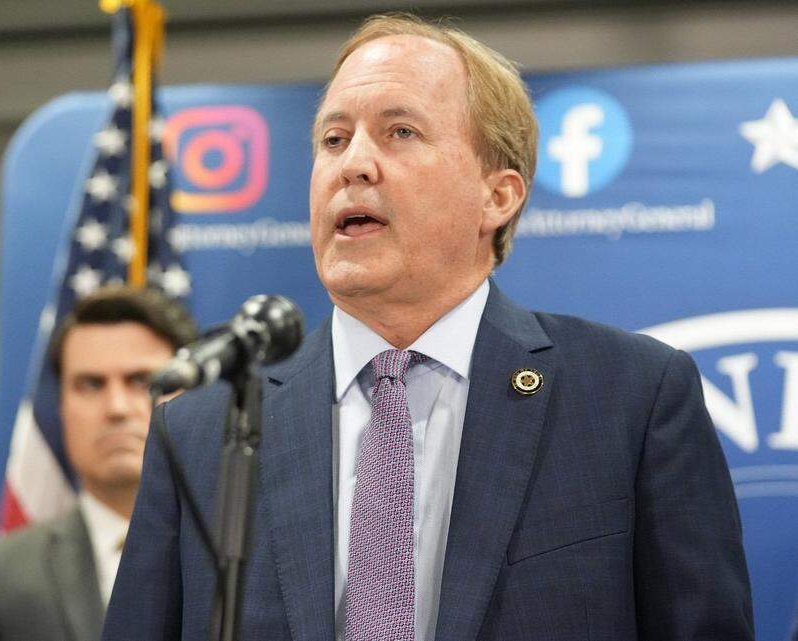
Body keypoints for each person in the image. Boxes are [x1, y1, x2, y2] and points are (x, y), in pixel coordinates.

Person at [101, 12, 754, 641]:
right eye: (333, 139)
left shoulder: (631, 400)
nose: (353, 164)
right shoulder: (205, 429)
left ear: (497, 195)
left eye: (399, 132)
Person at [0, 286, 197, 641]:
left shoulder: (244, 561)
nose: (116, 407)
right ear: (60, 408)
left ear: (193, 393)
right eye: (90, 384)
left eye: (142, 381)